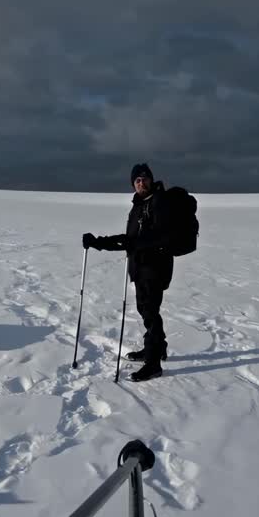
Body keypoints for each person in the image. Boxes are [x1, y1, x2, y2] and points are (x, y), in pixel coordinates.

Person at [82, 162, 176, 382]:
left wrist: (125, 243)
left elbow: (157, 236)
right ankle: (156, 347)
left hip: (154, 268)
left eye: (144, 178)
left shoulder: (158, 202)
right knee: (146, 310)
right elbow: (130, 240)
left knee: (150, 313)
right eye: (137, 180)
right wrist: (98, 242)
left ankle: (153, 364)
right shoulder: (139, 204)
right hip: (141, 268)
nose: (141, 182)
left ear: (151, 180)